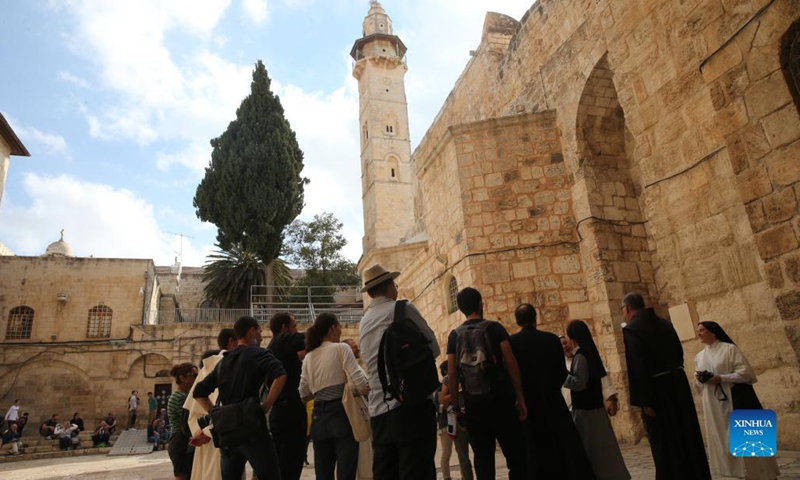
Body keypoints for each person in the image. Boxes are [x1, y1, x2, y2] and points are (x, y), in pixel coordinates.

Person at [358, 264, 439, 480]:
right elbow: (434, 348)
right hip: (410, 407)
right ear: (389, 287)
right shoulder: (402, 309)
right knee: (417, 470)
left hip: (378, 411)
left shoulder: (363, 322)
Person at [621, 291, 711, 480]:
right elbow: (678, 353)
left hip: (657, 391)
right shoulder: (665, 323)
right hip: (677, 384)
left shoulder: (632, 329)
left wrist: (644, 400)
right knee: (686, 432)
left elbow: (637, 366)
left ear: (627, 308)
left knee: (665, 439)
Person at [191, 315, 287, 480]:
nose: (261, 336)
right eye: (259, 332)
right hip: (252, 427)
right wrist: (267, 405)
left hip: (228, 433)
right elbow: (281, 374)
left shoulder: (224, 362)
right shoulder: (259, 354)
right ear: (251, 331)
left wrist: (215, 412)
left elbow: (199, 392)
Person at [446, 287, 527, 480]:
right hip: (501, 400)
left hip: (474, 405)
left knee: (483, 460)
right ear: (481, 304)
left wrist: (457, 408)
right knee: (515, 455)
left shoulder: (454, 335)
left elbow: (452, 372)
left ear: (461, 309)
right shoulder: (494, 328)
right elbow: (511, 362)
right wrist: (520, 397)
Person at [509, 306, 594, 480]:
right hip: (553, 400)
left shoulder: (512, 343)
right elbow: (561, 373)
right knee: (562, 446)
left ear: (518, 321)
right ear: (535, 318)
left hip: (529, 403)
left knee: (534, 447)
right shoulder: (551, 339)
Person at [694, 321, 780, 479]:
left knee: (747, 437)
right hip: (714, 405)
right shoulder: (700, 356)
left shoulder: (730, 349)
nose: (698, 333)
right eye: (698, 331)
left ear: (713, 332)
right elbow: (698, 385)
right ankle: (731, 472)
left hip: (736, 400)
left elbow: (746, 374)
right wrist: (701, 378)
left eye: (702, 330)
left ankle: (760, 473)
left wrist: (721, 378)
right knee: (722, 438)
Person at [299, 313, 369, 480]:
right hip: (342, 413)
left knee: (324, 471)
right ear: (332, 328)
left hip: (319, 415)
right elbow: (359, 381)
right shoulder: (341, 348)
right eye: (339, 327)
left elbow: (302, 392)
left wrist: (319, 392)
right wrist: (364, 390)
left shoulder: (309, 357)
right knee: (346, 469)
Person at [563, 320, 629, 480]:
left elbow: (579, 383)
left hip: (585, 412)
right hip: (595, 410)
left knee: (591, 449)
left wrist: (561, 376)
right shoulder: (590, 353)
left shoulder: (580, 357)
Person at [184, 328, 236, 480]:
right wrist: (207, 432)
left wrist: (199, 433)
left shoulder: (206, 368)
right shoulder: (230, 366)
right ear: (232, 341)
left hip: (204, 438)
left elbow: (192, 413)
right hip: (219, 436)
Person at [267, 313, 308, 480]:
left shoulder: (273, 347)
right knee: (292, 461)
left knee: (281, 461)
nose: (296, 330)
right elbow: (309, 336)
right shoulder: (283, 339)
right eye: (294, 326)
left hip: (278, 410)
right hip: (290, 409)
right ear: (284, 328)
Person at [560, 336, 619, 415]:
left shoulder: (586, 357)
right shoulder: (561, 366)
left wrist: (611, 399)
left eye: (565, 343)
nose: (564, 346)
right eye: (561, 345)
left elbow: (602, 376)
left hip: (591, 407)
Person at [437, 360, 473, 480]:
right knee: (460, 453)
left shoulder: (470, 372)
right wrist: (459, 389)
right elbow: (443, 399)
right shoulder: (448, 379)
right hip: (456, 419)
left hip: (473, 414)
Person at [168, 363, 198, 480]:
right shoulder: (179, 397)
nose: (197, 377)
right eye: (194, 375)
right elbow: (188, 421)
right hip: (180, 442)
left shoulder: (184, 396)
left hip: (184, 442)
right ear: (182, 378)